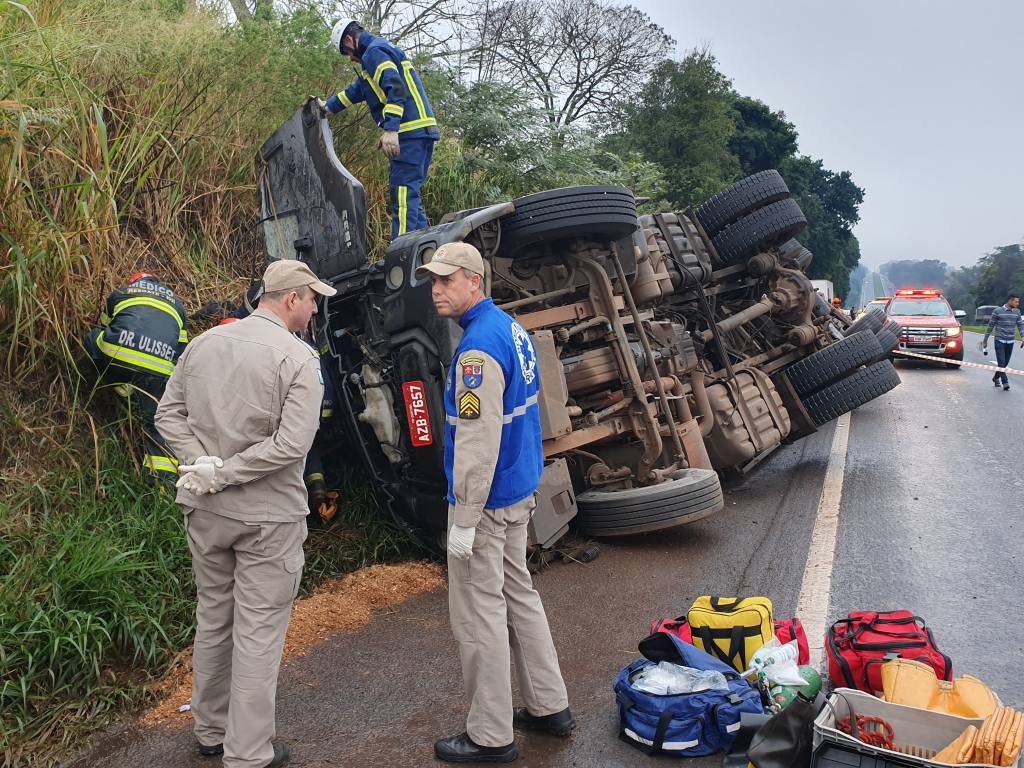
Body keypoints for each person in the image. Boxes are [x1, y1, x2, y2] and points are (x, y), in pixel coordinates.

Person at [154, 260, 336, 768]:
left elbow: (167, 413)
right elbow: (293, 444)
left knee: (214, 618)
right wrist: (225, 470)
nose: (315, 307)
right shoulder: (300, 360)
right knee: (258, 632)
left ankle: (210, 730)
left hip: (205, 512)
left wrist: (201, 465)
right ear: (291, 299)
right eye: (312, 298)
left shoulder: (205, 343)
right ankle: (249, 752)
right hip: (268, 518)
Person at [414, 243, 574, 764]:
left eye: (445, 280)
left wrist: (462, 518)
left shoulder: (477, 351)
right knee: (520, 597)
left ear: (474, 282)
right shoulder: (511, 330)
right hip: (518, 491)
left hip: (486, 504)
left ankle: (490, 735)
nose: (435, 289)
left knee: (479, 616)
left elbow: (477, 444)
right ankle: (549, 707)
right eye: (433, 281)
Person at [319, 19, 440, 241]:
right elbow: (356, 91)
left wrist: (392, 129)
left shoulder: (374, 53)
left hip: (408, 134)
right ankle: (427, 253)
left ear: (349, 40)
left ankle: (403, 259)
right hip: (420, 133)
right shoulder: (377, 53)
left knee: (403, 198)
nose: (348, 58)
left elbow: (396, 88)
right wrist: (327, 107)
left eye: (345, 52)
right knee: (410, 199)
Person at [84, 272, 188, 482]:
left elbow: (107, 325)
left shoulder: (121, 293)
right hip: (158, 368)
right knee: (155, 423)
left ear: (135, 282)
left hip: (119, 353)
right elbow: (181, 348)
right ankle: (162, 483)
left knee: (92, 338)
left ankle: (121, 386)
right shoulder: (178, 306)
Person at [983, 293, 1024, 391]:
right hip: (999, 340)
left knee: (1005, 363)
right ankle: (1005, 382)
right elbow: (990, 326)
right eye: (1016, 301)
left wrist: (1023, 337)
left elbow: (1020, 326)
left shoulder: (1017, 312)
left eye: (1018, 301)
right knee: (1001, 362)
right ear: (1010, 301)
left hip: (1010, 340)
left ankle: (996, 378)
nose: (1017, 303)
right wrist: (985, 340)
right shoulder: (997, 311)